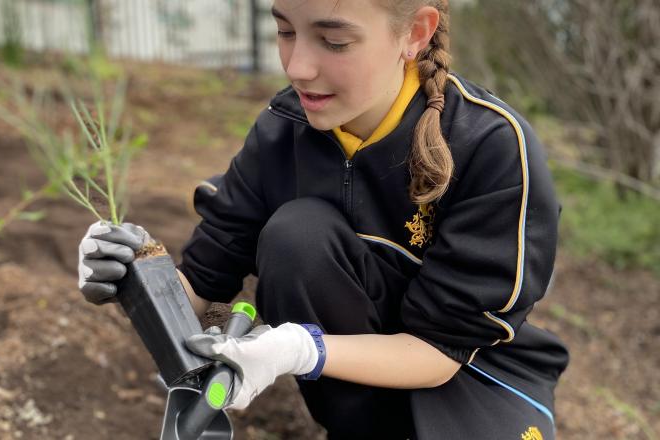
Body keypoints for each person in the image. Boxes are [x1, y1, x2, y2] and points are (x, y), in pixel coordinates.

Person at [77, 1, 569, 438]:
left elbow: (440, 352)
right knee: (299, 235)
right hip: (357, 398)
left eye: (334, 41)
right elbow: (199, 289)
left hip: (474, 376)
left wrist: (300, 349)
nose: (298, 67)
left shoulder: (490, 146)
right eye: (286, 31)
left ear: (415, 33)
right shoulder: (283, 129)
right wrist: (134, 274)